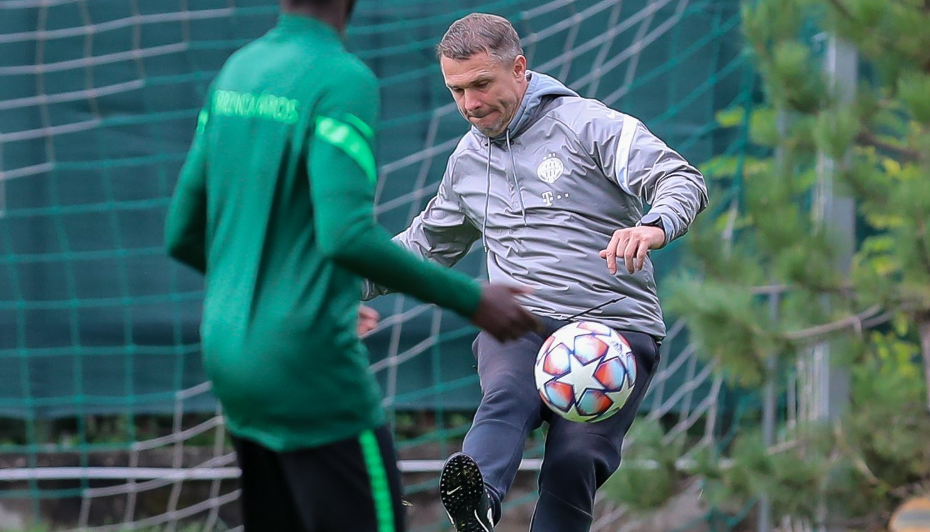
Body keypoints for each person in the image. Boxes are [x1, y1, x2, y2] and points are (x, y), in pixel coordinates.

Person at [164, 1, 539, 530]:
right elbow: (345, 235)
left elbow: (181, 233)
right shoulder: (341, 78)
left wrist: (307, 296)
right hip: (305, 362)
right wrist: (472, 299)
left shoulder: (239, 70)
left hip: (230, 356)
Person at [362, 12, 708, 532]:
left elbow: (680, 178)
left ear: (520, 69)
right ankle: (475, 501)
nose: (470, 104)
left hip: (612, 328)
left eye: (481, 84)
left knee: (574, 461)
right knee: (507, 395)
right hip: (521, 321)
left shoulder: (589, 125)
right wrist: (335, 281)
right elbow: (423, 247)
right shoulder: (466, 161)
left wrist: (653, 227)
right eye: (457, 91)